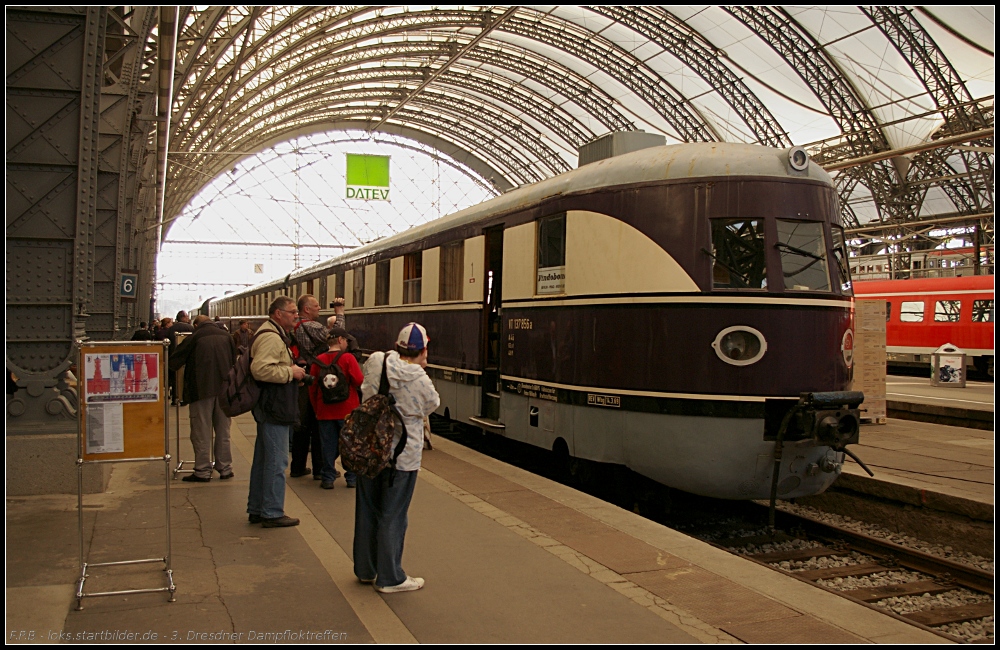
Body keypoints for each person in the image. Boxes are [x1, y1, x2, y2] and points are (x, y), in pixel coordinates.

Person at [354, 322, 440, 593]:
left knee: (367, 510)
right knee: (393, 514)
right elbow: (432, 404)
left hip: (370, 451)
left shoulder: (377, 361)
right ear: (423, 350)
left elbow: (365, 392)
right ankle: (391, 577)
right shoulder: (419, 378)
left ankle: (366, 569)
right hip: (402, 457)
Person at [247, 296, 307, 528]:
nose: (296, 316)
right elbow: (260, 369)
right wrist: (291, 373)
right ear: (278, 314)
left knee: (263, 460)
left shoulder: (270, 332)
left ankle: (257, 508)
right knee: (276, 461)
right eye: (292, 312)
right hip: (274, 407)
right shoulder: (272, 338)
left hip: (269, 405)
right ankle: (271, 511)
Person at [169, 315, 237, 482]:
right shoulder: (227, 337)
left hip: (201, 390)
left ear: (197, 324)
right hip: (225, 391)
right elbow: (235, 361)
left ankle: (202, 471)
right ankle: (225, 468)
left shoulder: (195, 337)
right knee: (223, 431)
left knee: (202, 431)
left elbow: (174, 362)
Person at [309, 327, 363, 489]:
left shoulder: (318, 360)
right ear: (340, 340)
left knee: (328, 446)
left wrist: (317, 408)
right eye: (346, 340)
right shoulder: (348, 358)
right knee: (350, 445)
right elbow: (359, 381)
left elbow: (312, 388)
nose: (347, 343)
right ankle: (351, 478)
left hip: (325, 411)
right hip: (348, 411)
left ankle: (328, 478)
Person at [290, 294, 328, 480]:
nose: (319, 308)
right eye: (316, 305)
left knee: (302, 426)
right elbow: (335, 338)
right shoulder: (311, 326)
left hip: (302, 378)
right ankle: (320, 469)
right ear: (307, 309)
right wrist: (340, 314)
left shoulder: (295, 327)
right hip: (315, 379)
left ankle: (297, 466)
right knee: (318, 424)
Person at [167, 311, 195, 405]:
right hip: (188, 356)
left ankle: (175, 397)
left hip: (173, 356)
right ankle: (185, 398)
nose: (188, 318)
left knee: (174, 378)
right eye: (186, 316)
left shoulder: (171, 329)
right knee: (186, 377)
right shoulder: (190, 328)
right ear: (183, 318)